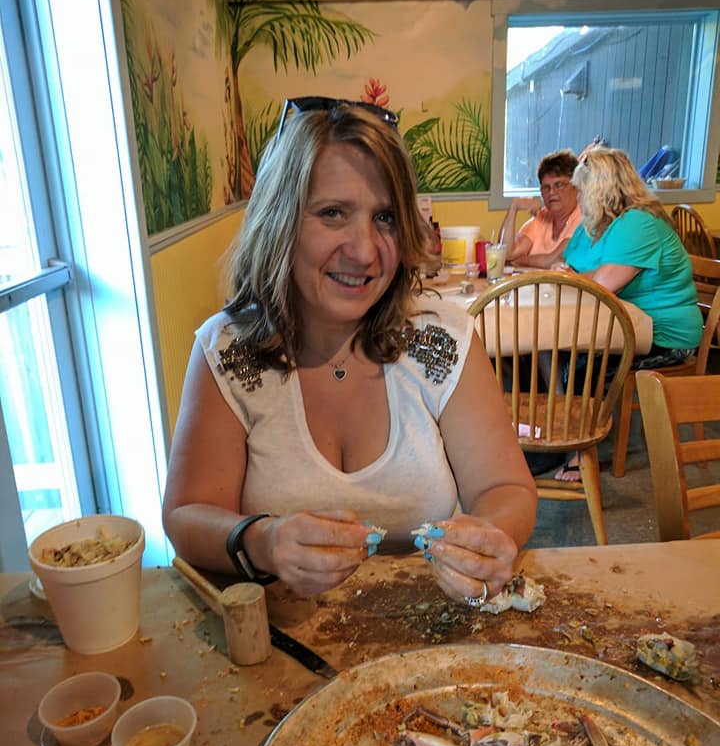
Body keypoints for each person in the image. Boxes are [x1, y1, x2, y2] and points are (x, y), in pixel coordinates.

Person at [162, 97, 537, 607]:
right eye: (333, 214)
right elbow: (187, 516)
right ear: (280, 221)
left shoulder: (443, 339)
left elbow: (506, 489)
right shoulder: (229, 350)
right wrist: (264, 541)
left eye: (385, 218)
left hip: (433, 621)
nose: (364, 251)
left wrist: (490, 539)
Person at [553, 146, 703, 481]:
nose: (579, 198)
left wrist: (575, 276)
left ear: (601, 190)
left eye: (582, 190)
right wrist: (576, 274)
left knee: (580, 364)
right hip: (629, 325)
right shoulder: (601, 226)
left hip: (667, 336)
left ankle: (580, 451)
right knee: (555, 356)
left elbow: (603, 284)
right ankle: (561, 432)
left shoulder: (637, 223)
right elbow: (569, 264)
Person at [501, 150, 583, 268]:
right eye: (546, 187)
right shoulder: (542, 217)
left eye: (559, 185)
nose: (552, 192)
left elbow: (553, 260)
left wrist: (518, 261)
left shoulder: (583, 217)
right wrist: (514, 206)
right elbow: (505, 254)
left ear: (576, 186)